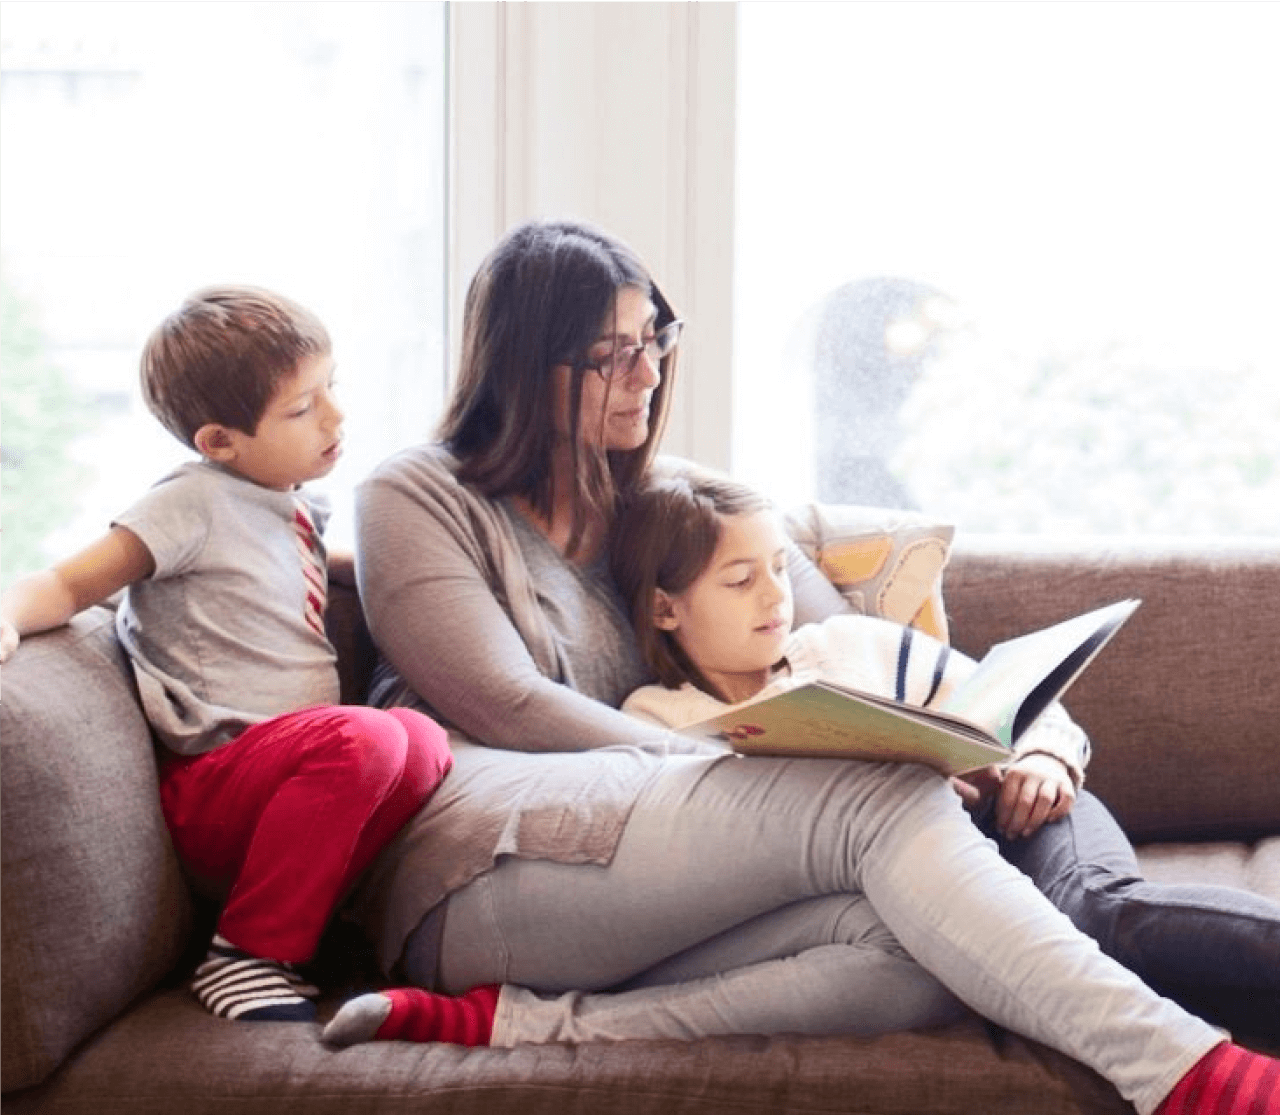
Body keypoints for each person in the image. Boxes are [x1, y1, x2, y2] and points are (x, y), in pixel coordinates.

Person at [337, 219, 1275, 1115]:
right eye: (609, 353)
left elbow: (824, 659)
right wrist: (759, 771)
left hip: (640, 863)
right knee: (875, 803)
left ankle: (535, 1027)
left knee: (922, 944)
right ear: (521, 362)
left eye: (653, 338)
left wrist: (972, 737)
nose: (647, 371)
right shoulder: (413, 494)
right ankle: (1188, 1072)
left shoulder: (667, 500)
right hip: (481, 866)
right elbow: (502, 701)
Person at [611, 469, 1281, 1045]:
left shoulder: (847, 645)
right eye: (739, 580)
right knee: (1069, 962)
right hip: (921, 882)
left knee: (1091, 911)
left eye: (779, 570)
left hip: (1022, 817)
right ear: (666, 607)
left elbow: (1024, 706)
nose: (773, 597)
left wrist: (1042, 760)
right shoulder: (655, 721)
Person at [0, 286, 453, 1023]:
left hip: (291, 787)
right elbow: (66, 580)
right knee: (366, 734)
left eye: (331, 387)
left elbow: (342, 567)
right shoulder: (192, 500)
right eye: (303, 408)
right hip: (216, 782)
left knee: (423, 739)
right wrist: (7, 613)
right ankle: (244, 953)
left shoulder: (294, 505)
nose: (335, 416)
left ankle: (315, 924)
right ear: (219, 441)